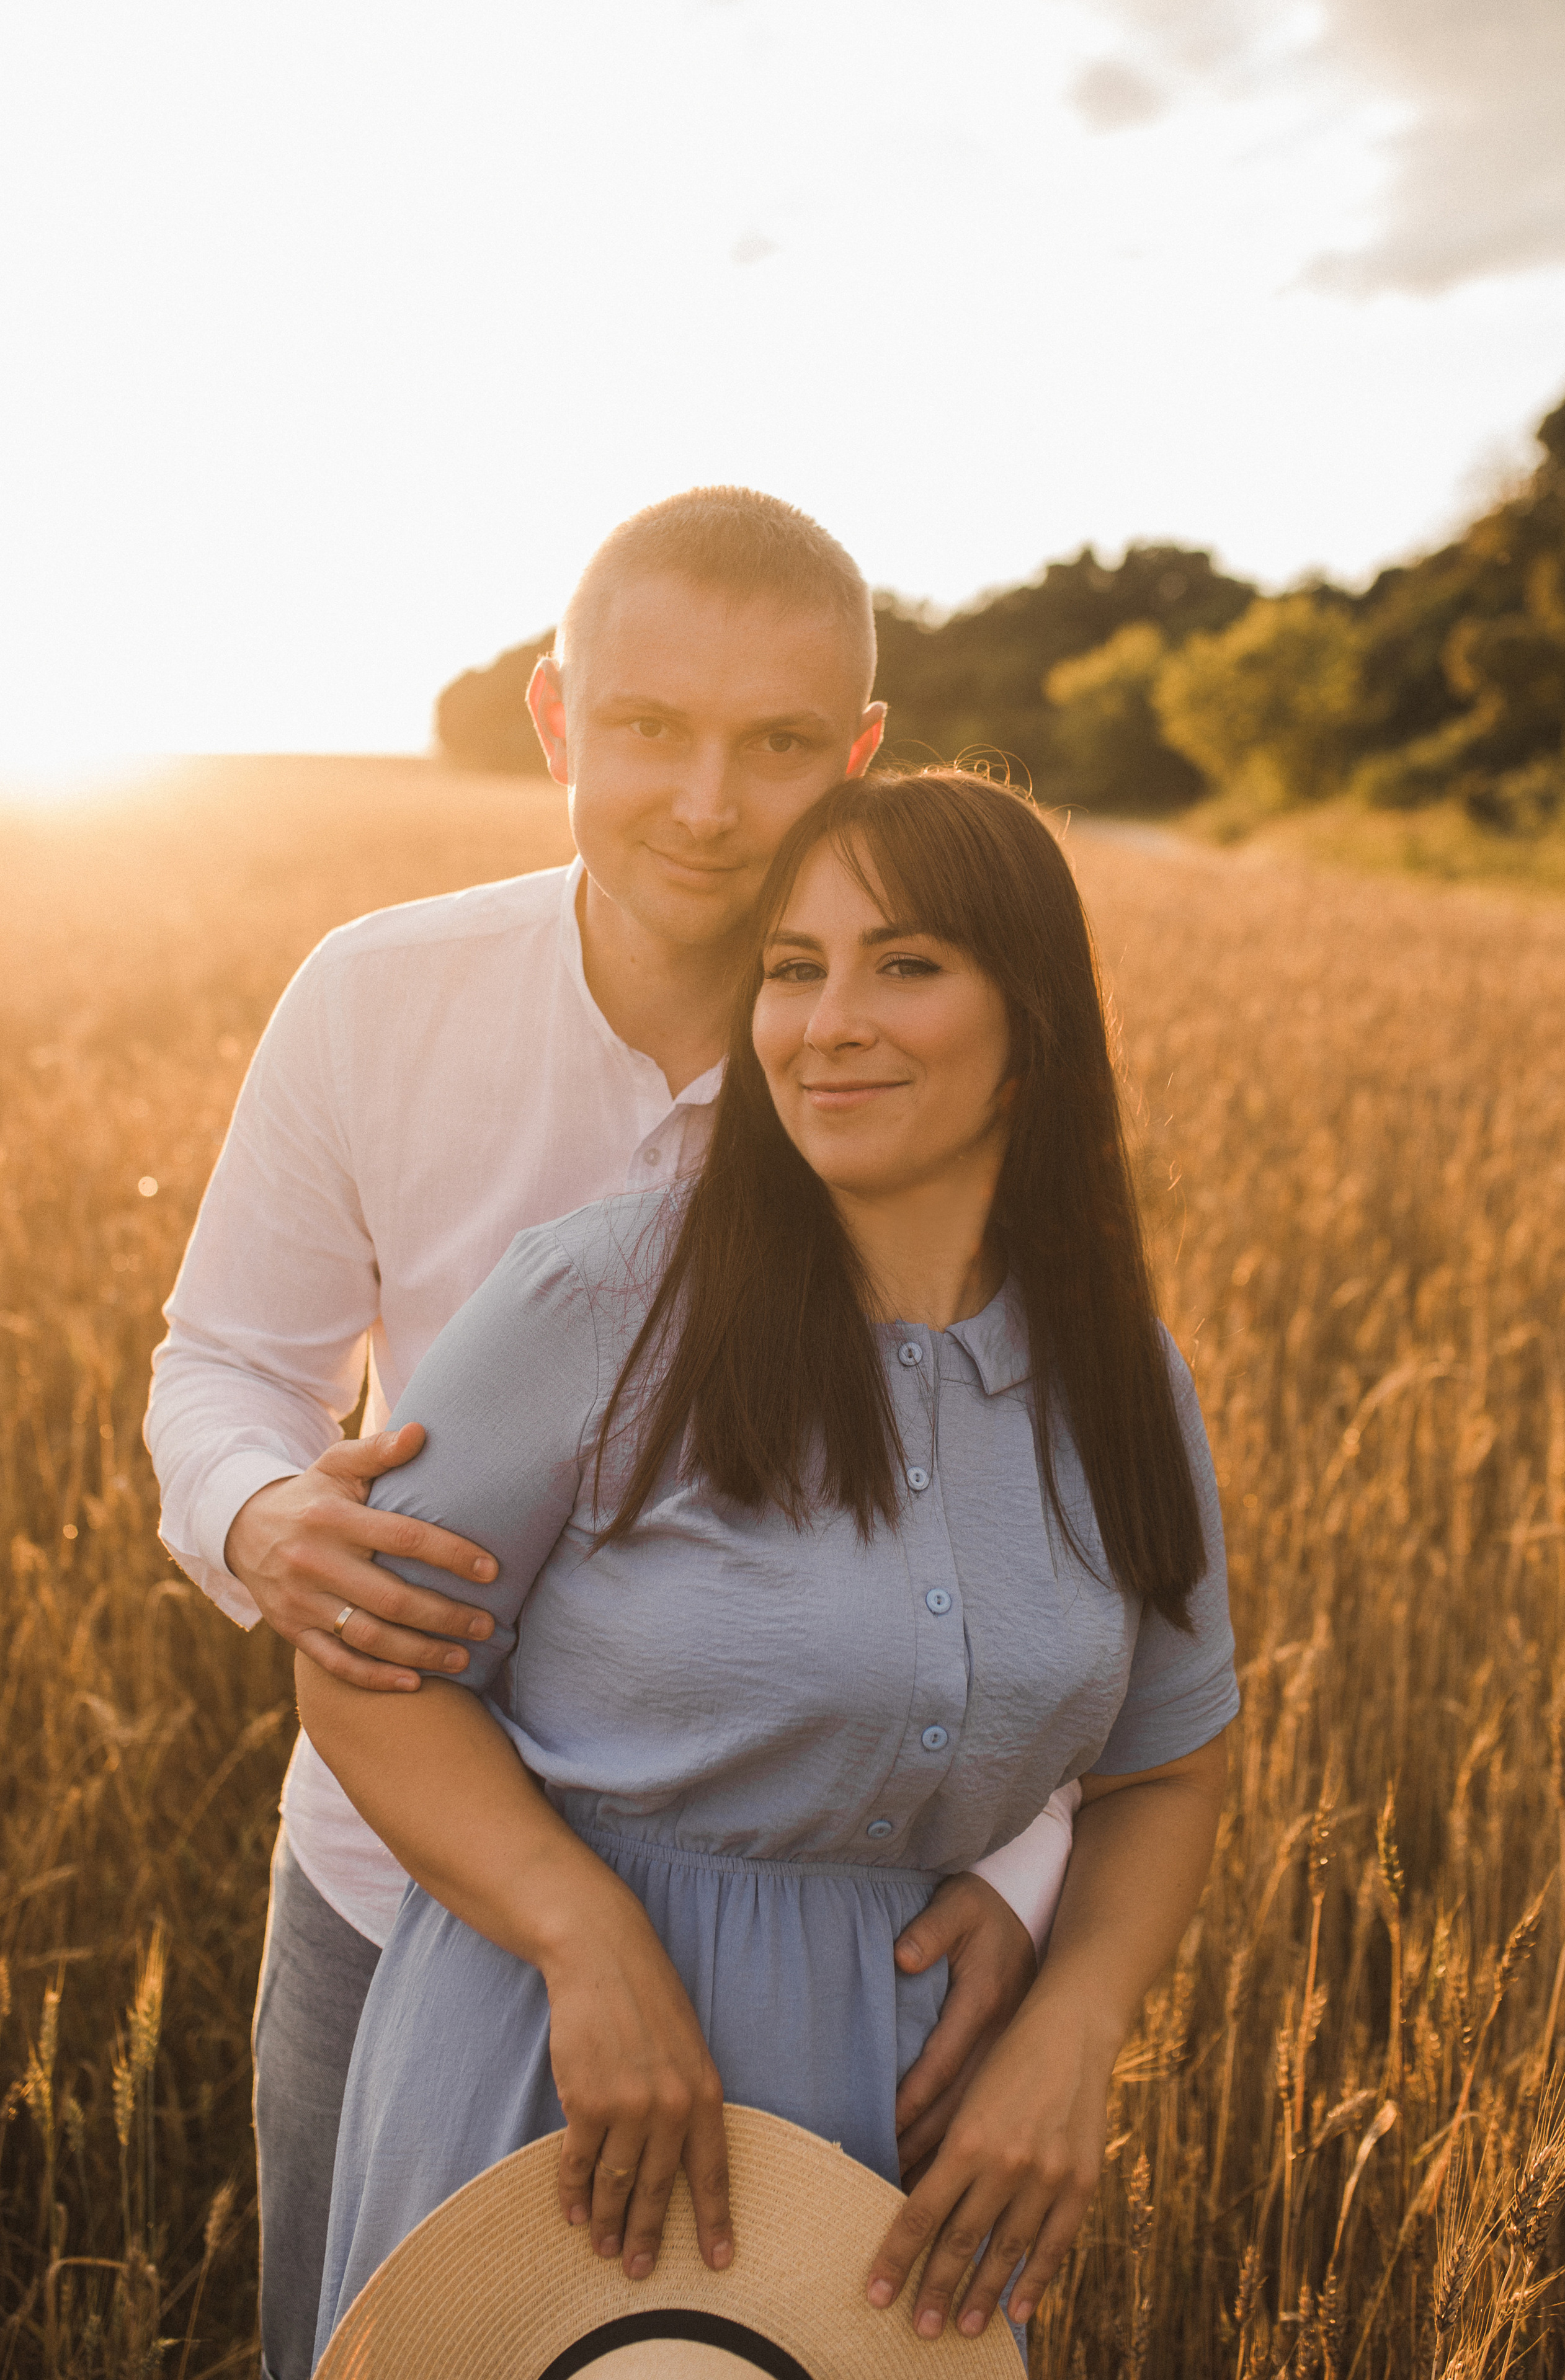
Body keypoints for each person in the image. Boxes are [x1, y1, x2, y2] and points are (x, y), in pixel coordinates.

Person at [144, 491, 1081, 2380]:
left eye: (780, 743)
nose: (712, 804)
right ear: (558, 719)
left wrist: (1022, 1871)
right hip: (387, 1891)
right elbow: (222, 1365)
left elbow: (1043, 1511)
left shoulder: (902, 1055)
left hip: (834, 1938)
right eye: (651, 728)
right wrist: (261, 1518)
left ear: (860, 755)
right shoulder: (375, 995)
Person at [299, 768, 1238, 2363]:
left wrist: (1073, 2029)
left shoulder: (1122, 1375)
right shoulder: (604, 1299)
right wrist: (581, 1937)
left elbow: (1171, 1757)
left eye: (906, 963)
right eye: (792, 969)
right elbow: (362, 1662)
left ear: (1037, 1024)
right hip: (563, 2074)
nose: (828, 1021)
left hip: (909, 2137)